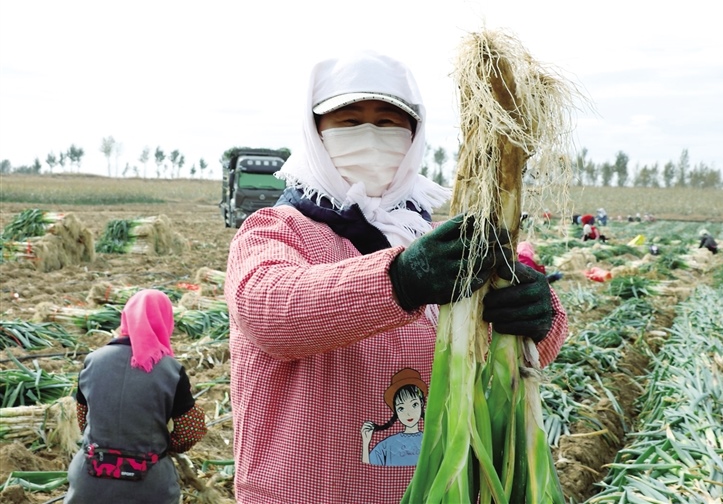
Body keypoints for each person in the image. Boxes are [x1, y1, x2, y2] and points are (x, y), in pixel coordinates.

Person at [224, 51, 569, 504]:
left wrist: (540, 320)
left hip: (432, 491)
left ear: (413, 136)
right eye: (349, 121)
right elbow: (269, 312)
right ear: (316, 133)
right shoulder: (277, 230)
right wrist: (400, 280)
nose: (370, 135)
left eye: (388, 122)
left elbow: (495, 346)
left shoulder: (431, 240)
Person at [64, 289, 207, 504]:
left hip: (90, 482)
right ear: (165, 321)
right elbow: (191, 430)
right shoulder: (171, 371)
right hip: (149, 485)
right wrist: (167, 446)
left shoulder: (93, 361)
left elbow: (83, 419)